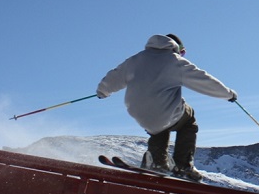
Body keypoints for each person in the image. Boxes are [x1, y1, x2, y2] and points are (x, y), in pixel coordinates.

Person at [96, 33, 236, 181]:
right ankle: (183, 166)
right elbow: (204, 80)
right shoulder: (175, 61)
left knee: (158, 126)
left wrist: (102, 91)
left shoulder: (136, 59)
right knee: (188, 119)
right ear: (177, 48)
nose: (182, 55)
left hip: (136, 110)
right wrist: (228, 94)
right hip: (164, 110)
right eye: (182, 52)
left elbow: (115, 76)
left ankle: (157, 161)